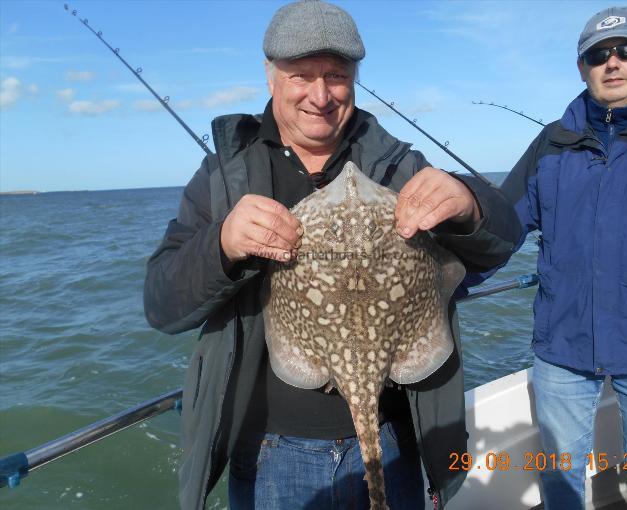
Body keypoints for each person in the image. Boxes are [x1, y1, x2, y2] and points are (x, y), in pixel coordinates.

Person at [144, 1, 520, 509]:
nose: (319, 95)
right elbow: (162, 303)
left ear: (355, 79)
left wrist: (471, 203)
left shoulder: (400, 164)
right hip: (273, 453)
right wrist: (223, 246)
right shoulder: (223, 177)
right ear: (270, 76)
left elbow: (500, 241)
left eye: (336, 76)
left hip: (395, 439)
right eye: (301, 75)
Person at [499, 6, 627, 510]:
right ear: (583, 67)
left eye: (626, 50)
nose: (613, 62)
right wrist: (447, 282)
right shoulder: (553, 143)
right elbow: (502, 227)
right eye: (598, 55)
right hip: (564, 347)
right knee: (559, 483)